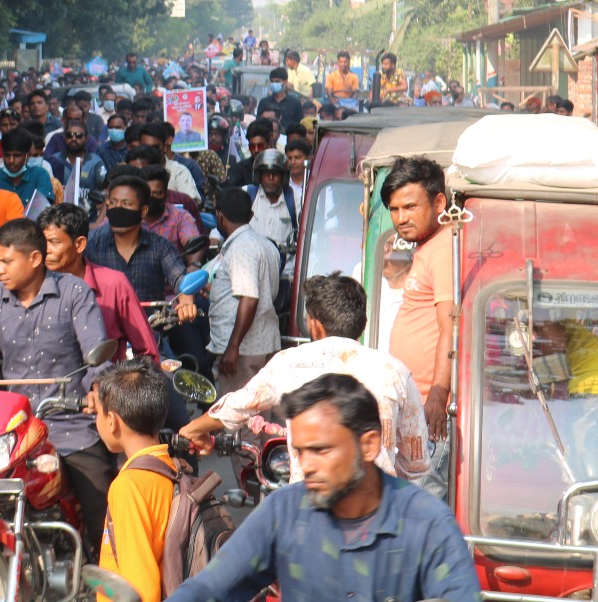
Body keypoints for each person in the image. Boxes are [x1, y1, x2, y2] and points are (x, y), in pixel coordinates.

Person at [165, 374, 480, 602]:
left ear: (369, 445)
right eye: (301, 452)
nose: (307, 465)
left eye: (322, 450)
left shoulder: (427, 523)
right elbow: (211, 587)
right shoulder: (283, 512)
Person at [0, 220, 116, 559]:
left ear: (34, 258)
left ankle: (107, 573)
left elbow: (96, 352)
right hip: (14, 428)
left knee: (101, 506)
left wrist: (96, 391)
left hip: (70, 423)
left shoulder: (74, 292)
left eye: (6, 261)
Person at [180, 274, 428, 482]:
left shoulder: (290, 362)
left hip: (308, 507)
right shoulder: (395, 371)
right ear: (362, 324)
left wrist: (193, 429)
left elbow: (239, 405)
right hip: (377, 507)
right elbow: (415, 463)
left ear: (315, 324)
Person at [381, 156, 454, 496]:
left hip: (431, 408)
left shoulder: (444, 248)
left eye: (410, 207)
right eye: (394, 209)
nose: (401, 218)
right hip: (416, 403)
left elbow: (450, 326)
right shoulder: (428, 247)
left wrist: (438, 395)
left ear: (439, 202)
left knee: (419, 506)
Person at [94, 359, 175, 602]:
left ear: (112, 421)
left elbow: (141, 591)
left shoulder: (129, 487)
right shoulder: (172, 467)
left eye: (97, 413)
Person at [38, 204, 158, 361]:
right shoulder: (31, 287)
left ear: (79, 244)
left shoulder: (114, 285)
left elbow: (147, 353)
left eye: (54, 242)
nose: (45, 250)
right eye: (41, 242)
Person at [207, 189, 280, 398]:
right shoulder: (266, 244)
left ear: (219, 216)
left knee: (238, 412)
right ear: (250, 215)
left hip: (243, 351)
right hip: (261, 343)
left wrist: (233, 347)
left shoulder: (241, 248)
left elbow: (250, 297)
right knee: (258, 411)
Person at [85, 176, 193, 305]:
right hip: (103, 317)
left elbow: (179, 278)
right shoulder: (92, 246)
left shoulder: (161, 247)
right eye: (113, 203)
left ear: (143, 211)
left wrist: (186, 299)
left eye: (126, 204)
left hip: (149, 317)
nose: (118, 209)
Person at [246, 149, 296, 254]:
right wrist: (216, 236)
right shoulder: (247, 193)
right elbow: (229, 216)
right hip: (252, 260)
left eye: (276, 174)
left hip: (286, 263)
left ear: (284, 177)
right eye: (266, 173)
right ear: (259, 176)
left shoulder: (295, 199)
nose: (271, 178)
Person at [141, 165, 200, 247]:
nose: (151, 197)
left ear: (166, 194)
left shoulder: (180, 217)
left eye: (157, 193)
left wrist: (193, 253)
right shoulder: (130, 217)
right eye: (147, 193)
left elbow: (193, 245)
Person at [0, 129, 53, 207]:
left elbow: (42, 208)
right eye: (7, 155)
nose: (11, 160)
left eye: (17, 155)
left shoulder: (39, 175)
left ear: (27, 155)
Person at [285, 138, 310, 211]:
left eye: (297, 158)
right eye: (289, 158)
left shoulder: (317, 181)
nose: (293, 162)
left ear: (308, 159)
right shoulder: (281, 183)